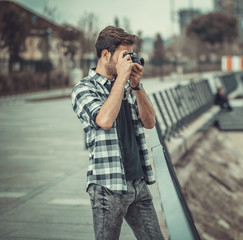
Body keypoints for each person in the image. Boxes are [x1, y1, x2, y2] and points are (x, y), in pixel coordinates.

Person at [71, 26, 164, 240]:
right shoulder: (84, 89)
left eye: (130, 56)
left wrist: (137, 86)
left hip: (138, 183)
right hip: (107, 187)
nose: (128, 61)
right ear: (106, 55)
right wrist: (122, 80)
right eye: (124, 55)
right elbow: (104, 120)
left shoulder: (129, 87)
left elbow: (150, 122)